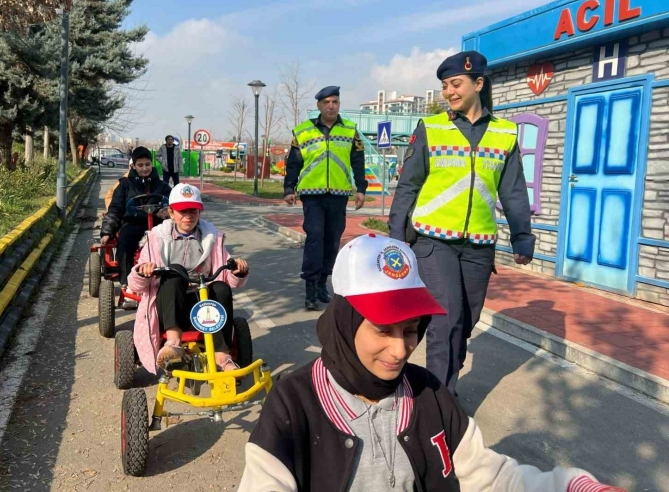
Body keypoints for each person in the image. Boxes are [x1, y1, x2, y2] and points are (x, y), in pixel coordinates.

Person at [238, 234, 625, 492]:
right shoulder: (294, 404)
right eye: (384, 330)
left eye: (411, 330)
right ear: (344, 320)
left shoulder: (429, 394)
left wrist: (570, 485)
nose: (400, 350)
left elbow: (490, 477)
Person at [388, 51, 535, 395]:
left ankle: (421, 383)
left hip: (479, 246)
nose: (449, 92)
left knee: (465, 323)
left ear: (478, 84)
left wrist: (522, 238)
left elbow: (513, 191)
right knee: (446, 320)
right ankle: (441, 401)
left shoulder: (505, 134)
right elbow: (408, 185)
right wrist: (396, 238)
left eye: (455, 84)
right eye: (444, 86)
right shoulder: (432, 128)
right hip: (432, 240)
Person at [127, 184, 249, 372]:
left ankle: (222, 356)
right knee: (175, 272)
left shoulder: (211, 237)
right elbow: (135, 283)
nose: (188, 216)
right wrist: (143, 271)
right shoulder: (156, 238)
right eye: (182, 211)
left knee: (221, 287)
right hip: (169, 303)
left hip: (202, 304)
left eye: (193, 211)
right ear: (171, 212)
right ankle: (173, 342)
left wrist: (237, 271)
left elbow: (226, 270)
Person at [284, 86, 367, 310]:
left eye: (335, 102)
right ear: (319, 105)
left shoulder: (350, 130)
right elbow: (293, 162)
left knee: (332, 242)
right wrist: (289, 188)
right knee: (315, 239)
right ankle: (310, 287)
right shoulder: (303, 131)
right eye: (327, 102)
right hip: (312, 195)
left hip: (339, 195)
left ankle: (322, 284)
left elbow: (358, 161)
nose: (331, 106)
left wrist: (361, 188)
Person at [100, 146, 172, 288]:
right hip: (133, 222)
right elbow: (116, 208)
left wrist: (166, 212)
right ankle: (127, 284)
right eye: (140, 165)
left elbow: (174, 207)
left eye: (147, 164)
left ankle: (167, 280)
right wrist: (107, 231)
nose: (144, 168)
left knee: (171, 241)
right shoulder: (125, 185)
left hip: (158, 224)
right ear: (133, 166)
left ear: (152, 164)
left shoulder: (163, 186)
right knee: (125, 241)